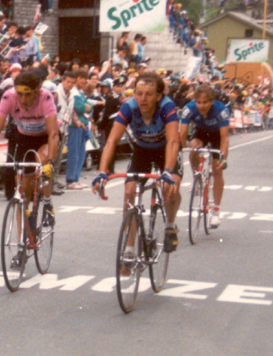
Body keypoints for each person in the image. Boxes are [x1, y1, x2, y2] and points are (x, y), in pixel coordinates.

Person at [92, 71, 183, 253]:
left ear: (158, 96)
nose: (143, 98)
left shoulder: (167, 106)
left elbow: (173, 141)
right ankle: (130, 248)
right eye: (139, 93)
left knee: (171, 188)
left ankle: (170, 225)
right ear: (134, 94)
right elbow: (111, 141)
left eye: (149, 94)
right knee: (129, 191)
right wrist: (102, 172)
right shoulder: (128, 107)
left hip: (166, 150)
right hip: (142, 150)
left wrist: (167, 172)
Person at [0, 69, 59, 227]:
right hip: (24, 138)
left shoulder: (46, 97)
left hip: (46, 138)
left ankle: (48, 203)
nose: (23, 99)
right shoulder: (9, 96)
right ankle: (23, 242)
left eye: (28, 95)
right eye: (20, 94)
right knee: (22, 193)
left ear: (37, 91)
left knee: (41, 162)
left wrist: (50, 162)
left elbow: (54, 134)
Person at [179, 84, 229, 228]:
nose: (202, 106)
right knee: (194, 147)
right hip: (200, 133)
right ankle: (197, 177)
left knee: (217, 170)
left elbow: (225, 138)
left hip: (216, 136)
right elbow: (182, 134)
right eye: (199, 102)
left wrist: (222, 159)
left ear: (212, 101)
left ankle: (216, 211)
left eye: (205, 102)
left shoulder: (221, 110)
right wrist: (179, 152)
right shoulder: (189, 108)